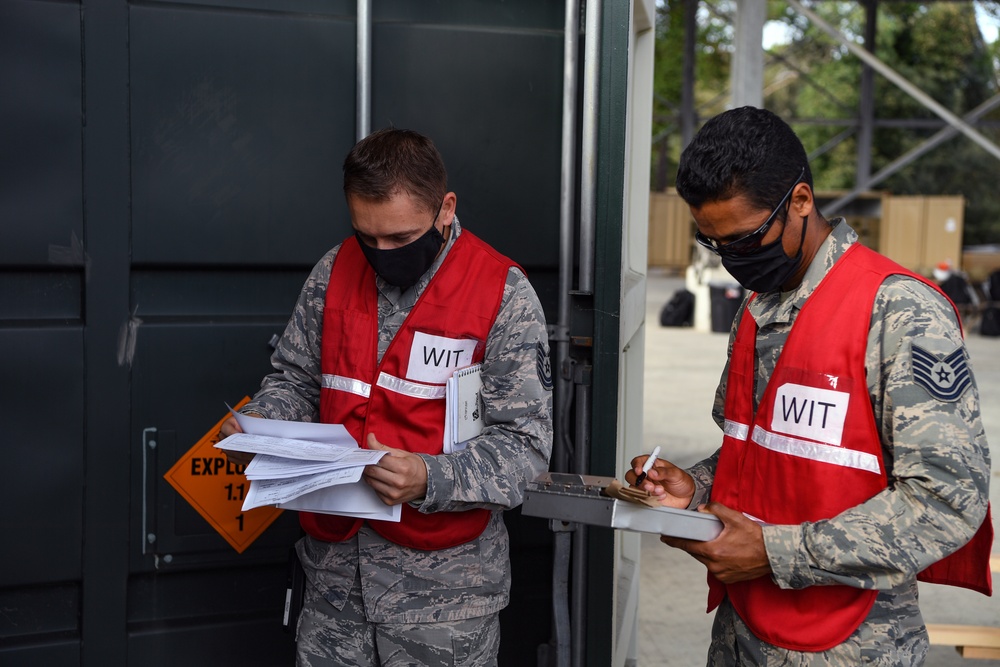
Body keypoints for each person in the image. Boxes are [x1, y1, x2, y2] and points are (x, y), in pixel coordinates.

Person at [629, 106, 992, 665]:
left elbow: (946, 500)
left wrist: (776, 553)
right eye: (714, 244)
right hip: (742, 631)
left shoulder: (898, 312)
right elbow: (762, 452)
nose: (732, 261)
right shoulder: (759, 306)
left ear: (800, 202)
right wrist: (697, 488)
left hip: (853, 644)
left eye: (745, 241)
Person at [220, 128, 553, 666]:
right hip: (333, 589)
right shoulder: (333, 271)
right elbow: (297, 381)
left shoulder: (502, 292)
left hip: (443, 600)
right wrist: (261, 422)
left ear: (445, 209)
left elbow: (526, 451)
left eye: (399, 238)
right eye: (365, 237)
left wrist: (429, 477)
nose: (380, 254)